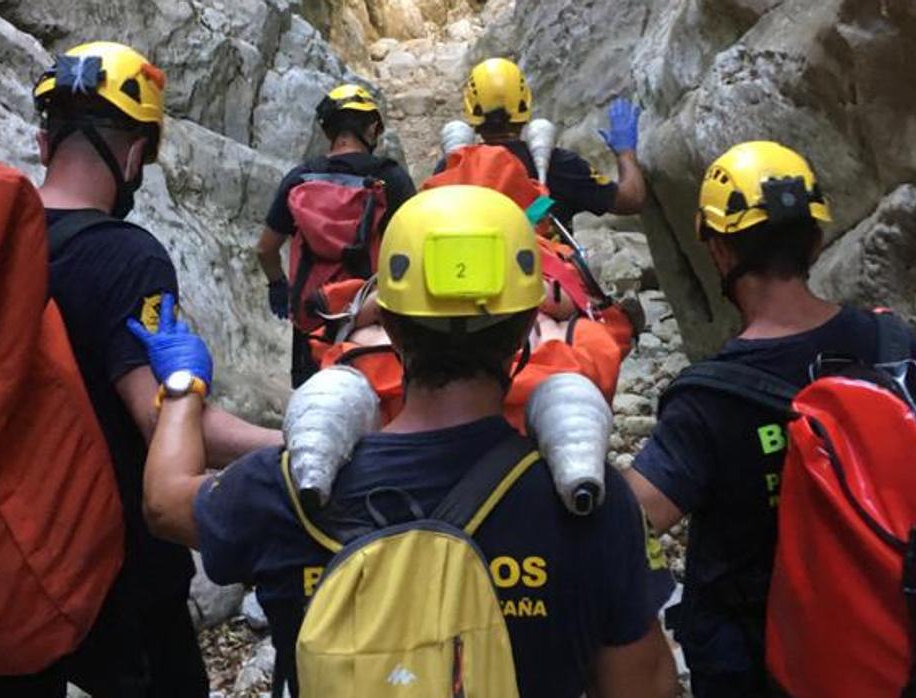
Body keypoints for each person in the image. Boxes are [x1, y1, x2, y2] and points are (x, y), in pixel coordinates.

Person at [133, 186, 679, 698]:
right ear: (523, 330)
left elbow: (164, 501)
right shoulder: (592, 503)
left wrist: (182, 387)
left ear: (389, 324)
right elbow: (645, 686)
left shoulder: (281, 490)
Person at [0, 41, 282, 697]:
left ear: (44, 144)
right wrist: (291, 444)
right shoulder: (126, 258)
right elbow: (163, 418)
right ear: (133, 154)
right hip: (112, 570)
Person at [624, 141, 916, 697]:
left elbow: (634, 518)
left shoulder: (710, 400)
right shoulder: (896, 347)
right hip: (896, 639)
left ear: (719, 252)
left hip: (765, 663)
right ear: (816, 241)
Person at [255, 84, 416, 388]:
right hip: (367, 317)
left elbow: (265, 249)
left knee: (312, 405)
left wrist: (278, 285)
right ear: (371, 128)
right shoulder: (391, 178)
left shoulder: (299, 178)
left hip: (312, 316)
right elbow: (415, 246)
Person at [444, 57, 647, 224]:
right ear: (524, 103)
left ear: (471, 110)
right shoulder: (558, 165)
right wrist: (625, 153)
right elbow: (631, 199)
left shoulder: (452, 168)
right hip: (541, 271)